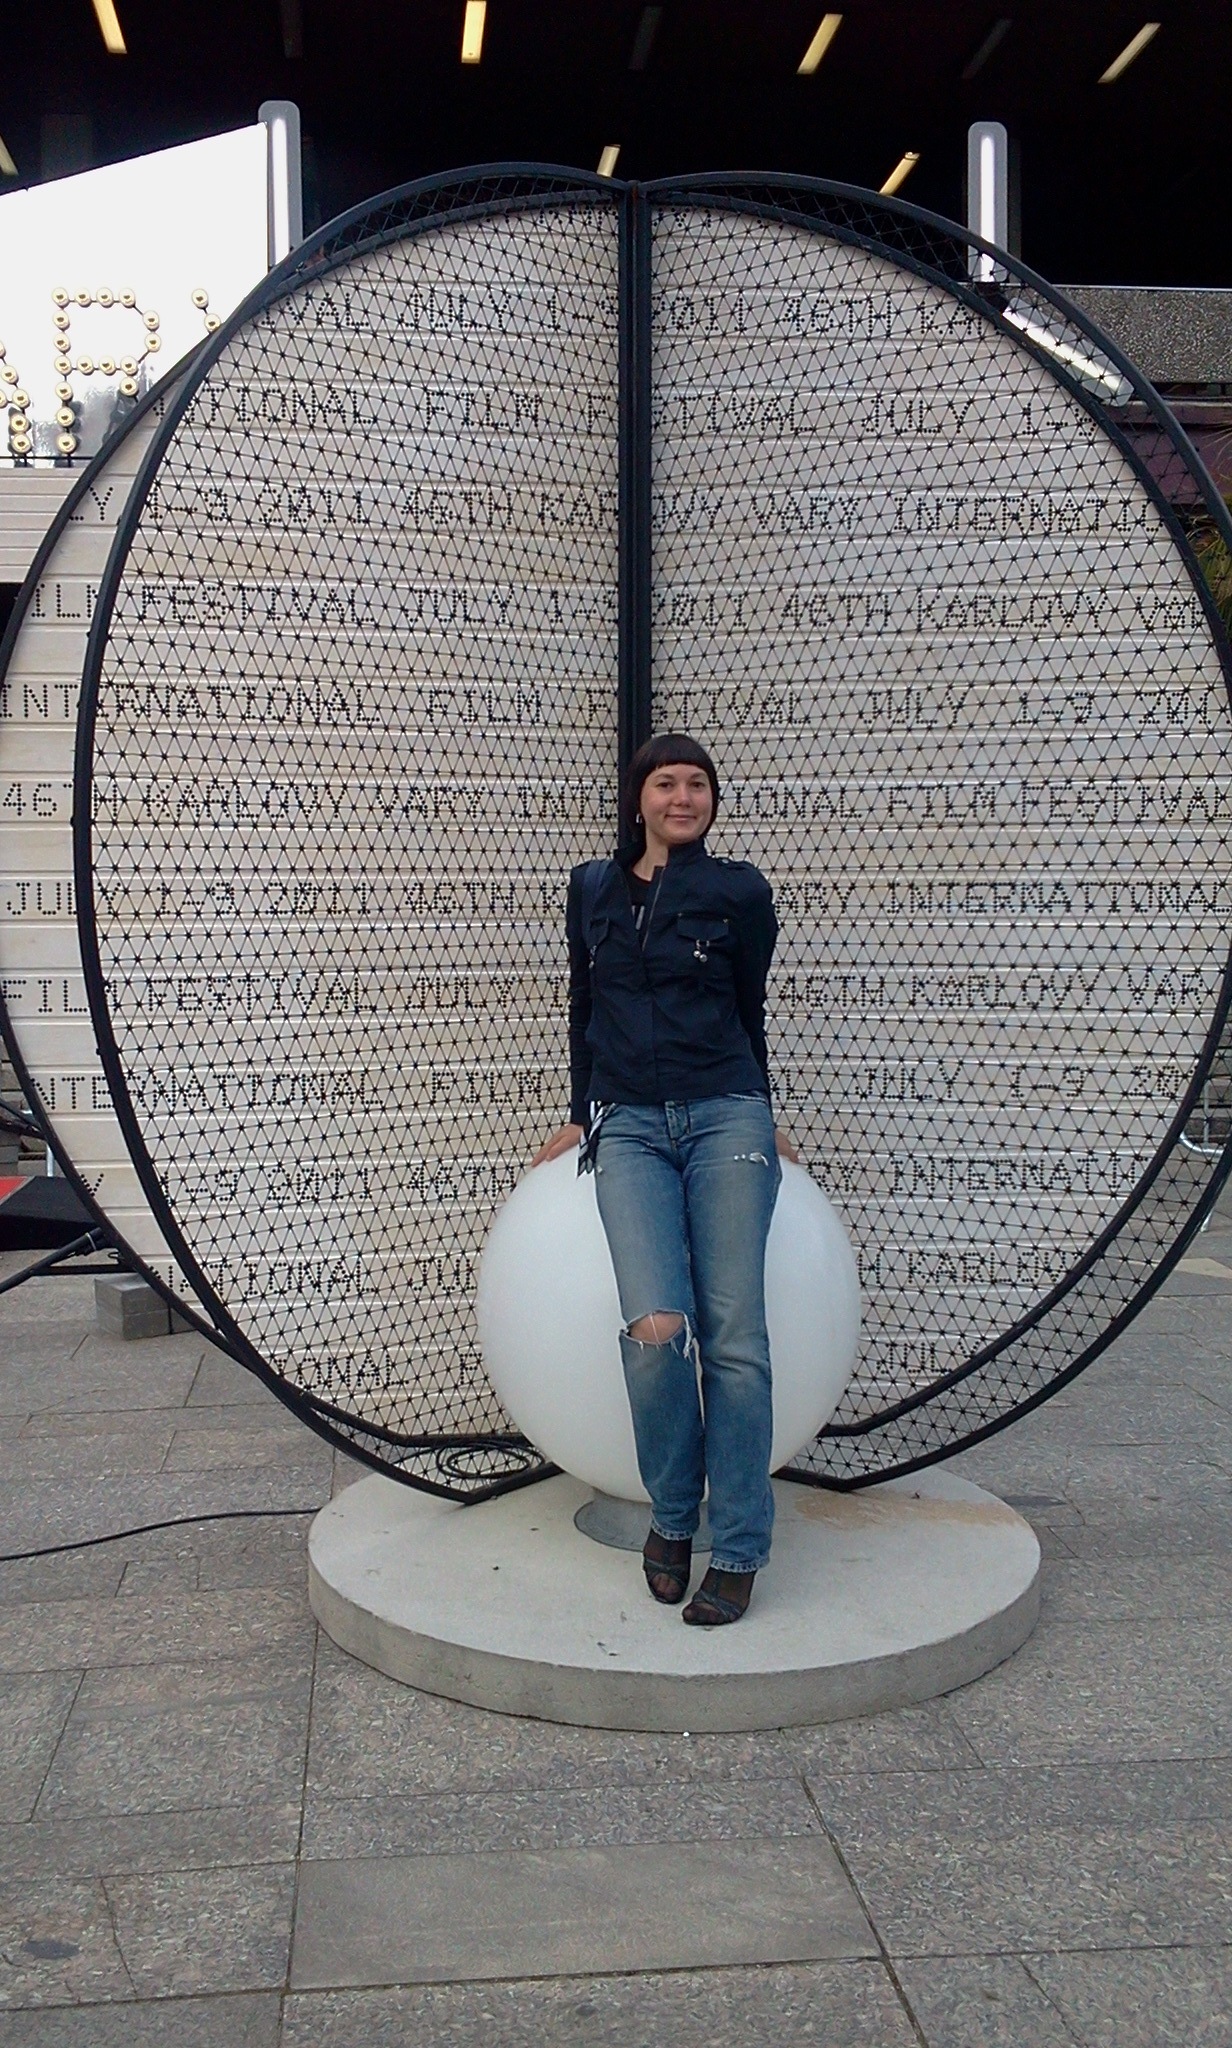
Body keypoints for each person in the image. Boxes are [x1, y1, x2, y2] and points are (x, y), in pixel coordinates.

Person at [532, 733, 797, 1626]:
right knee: (656, 1331)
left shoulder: (739, 891)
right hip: (632, 1126)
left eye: (697, 784)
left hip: (725, 1114)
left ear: (712, 800)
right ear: (637, 798)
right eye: (665, 783)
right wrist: (582, 1110)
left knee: (734, 1341)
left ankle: (742, 1545)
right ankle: (674, 1514)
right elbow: (585, 1006)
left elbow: (749, 1005)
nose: (682, 798)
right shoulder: (591, 889)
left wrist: (760, 1108)